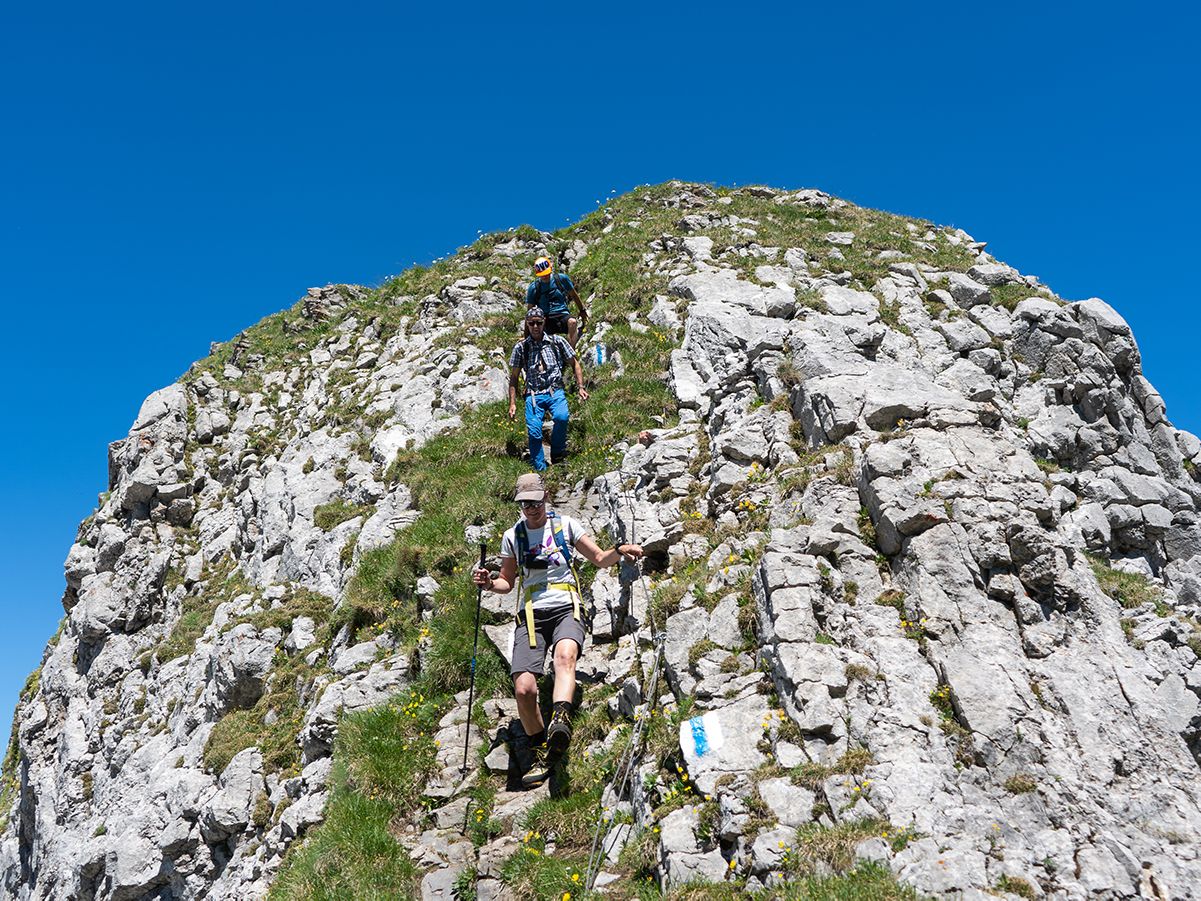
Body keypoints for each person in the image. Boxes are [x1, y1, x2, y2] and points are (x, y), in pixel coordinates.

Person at [472, 473, 644, 786]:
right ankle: (541, 747)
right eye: (525, 503)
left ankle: (560, 722)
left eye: (536, 501)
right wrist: (488, 583)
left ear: (545, 497)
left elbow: (599, 559)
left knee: (565, 657)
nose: (531, 508)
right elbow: (507, 583)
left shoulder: (566, 526)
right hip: (531, 613)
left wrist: (620, 549)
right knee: (524, 688)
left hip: (567, 605)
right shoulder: (513, 537)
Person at [509, 307, 588, 471]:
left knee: (562, 417)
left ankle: (557, 453)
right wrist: (513, 403)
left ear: (544, 322)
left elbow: (575, 364)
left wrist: (580, 387)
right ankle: (540, 469)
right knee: (534, 431)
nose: (535, 327)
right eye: (532, 323)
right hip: (533, 395)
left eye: (538, 323)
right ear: (527, 324)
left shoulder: (557, 341)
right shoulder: (521, 348)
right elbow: (514, 377)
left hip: (555, 390)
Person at [527, 256, 589, 349]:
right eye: (542, 274)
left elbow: (574, 295)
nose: (545, 276)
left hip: (562, 314)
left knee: (572, 322)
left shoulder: (562, 279)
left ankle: (570, 353)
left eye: (546, 273)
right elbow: (529, 312)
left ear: (551, 269)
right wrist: (527, 335)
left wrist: (582, 310)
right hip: (545, 317)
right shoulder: (534, 288)